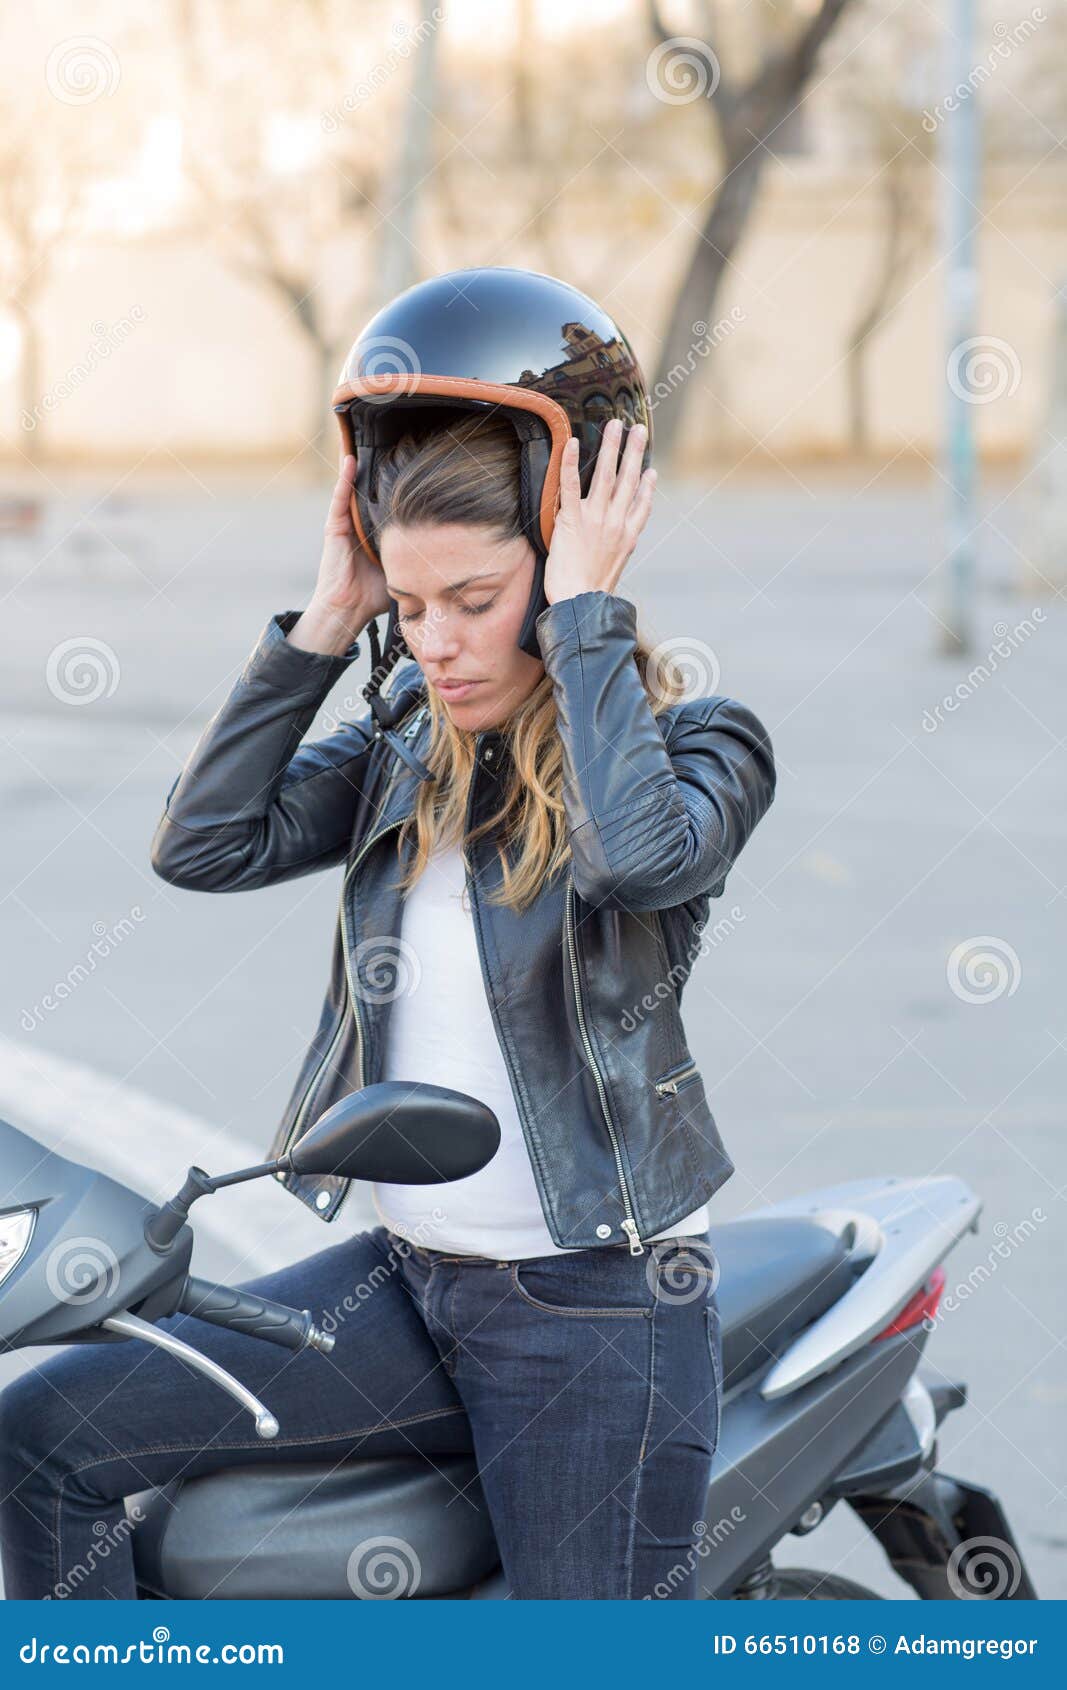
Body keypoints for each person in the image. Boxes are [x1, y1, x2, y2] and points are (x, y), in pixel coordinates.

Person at [0, 273, 776, 1601]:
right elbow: (205, 842)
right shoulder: (407, 742)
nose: (438, 645)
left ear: (562, 555)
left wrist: (587, 613)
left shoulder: (703, 746)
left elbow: (633, 858)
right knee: (40, 1436)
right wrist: (325, 622)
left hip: (598, 1318)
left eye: (472, 599)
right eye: (410, 610)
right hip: (409, 1287)